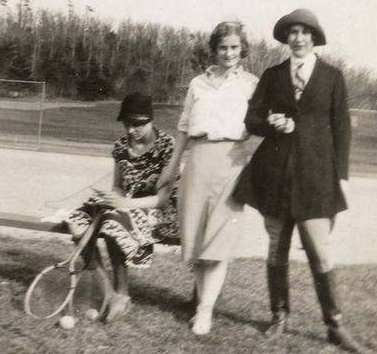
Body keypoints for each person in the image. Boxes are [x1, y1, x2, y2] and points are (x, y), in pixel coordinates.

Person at [233, 9, 360, 353]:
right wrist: (270, 122)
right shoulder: (273, 75)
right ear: (287, 38)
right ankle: (279, 317)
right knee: (277, 245)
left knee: (320, 250)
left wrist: (343, 175)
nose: (299, 38)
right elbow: (251, 118)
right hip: (275, 172)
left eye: (305, 32)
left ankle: (335, 326)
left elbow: (343, 128)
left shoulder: (332, 76)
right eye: (293, 32)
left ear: (314, 38)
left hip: (316, 175)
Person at [157, 21, 258, 336]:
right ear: (214, 50)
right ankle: (202, 302)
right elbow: (185, 126)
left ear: (243, 51)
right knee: (197, 240)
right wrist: (173, 166)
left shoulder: (252, 84)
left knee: (218, 240)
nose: (229, 53)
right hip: (198, 162)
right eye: (223, 47)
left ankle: (205, 311)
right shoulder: (197, 84)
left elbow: (260, 124)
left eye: (234, 48)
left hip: (231, 162)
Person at [45, 92, 179, 322]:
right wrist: (111, 198)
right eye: (126, 124)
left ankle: (122, 292)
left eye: (136, 125)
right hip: (125, 202)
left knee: (111, 223)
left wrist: (122, 203)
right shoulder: (120, 146)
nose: (130, 131)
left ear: (150, 120)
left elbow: (163, 199)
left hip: (155, 208)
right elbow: (118, 185)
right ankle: (109, 293)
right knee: (76, 222)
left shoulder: (168, 146)